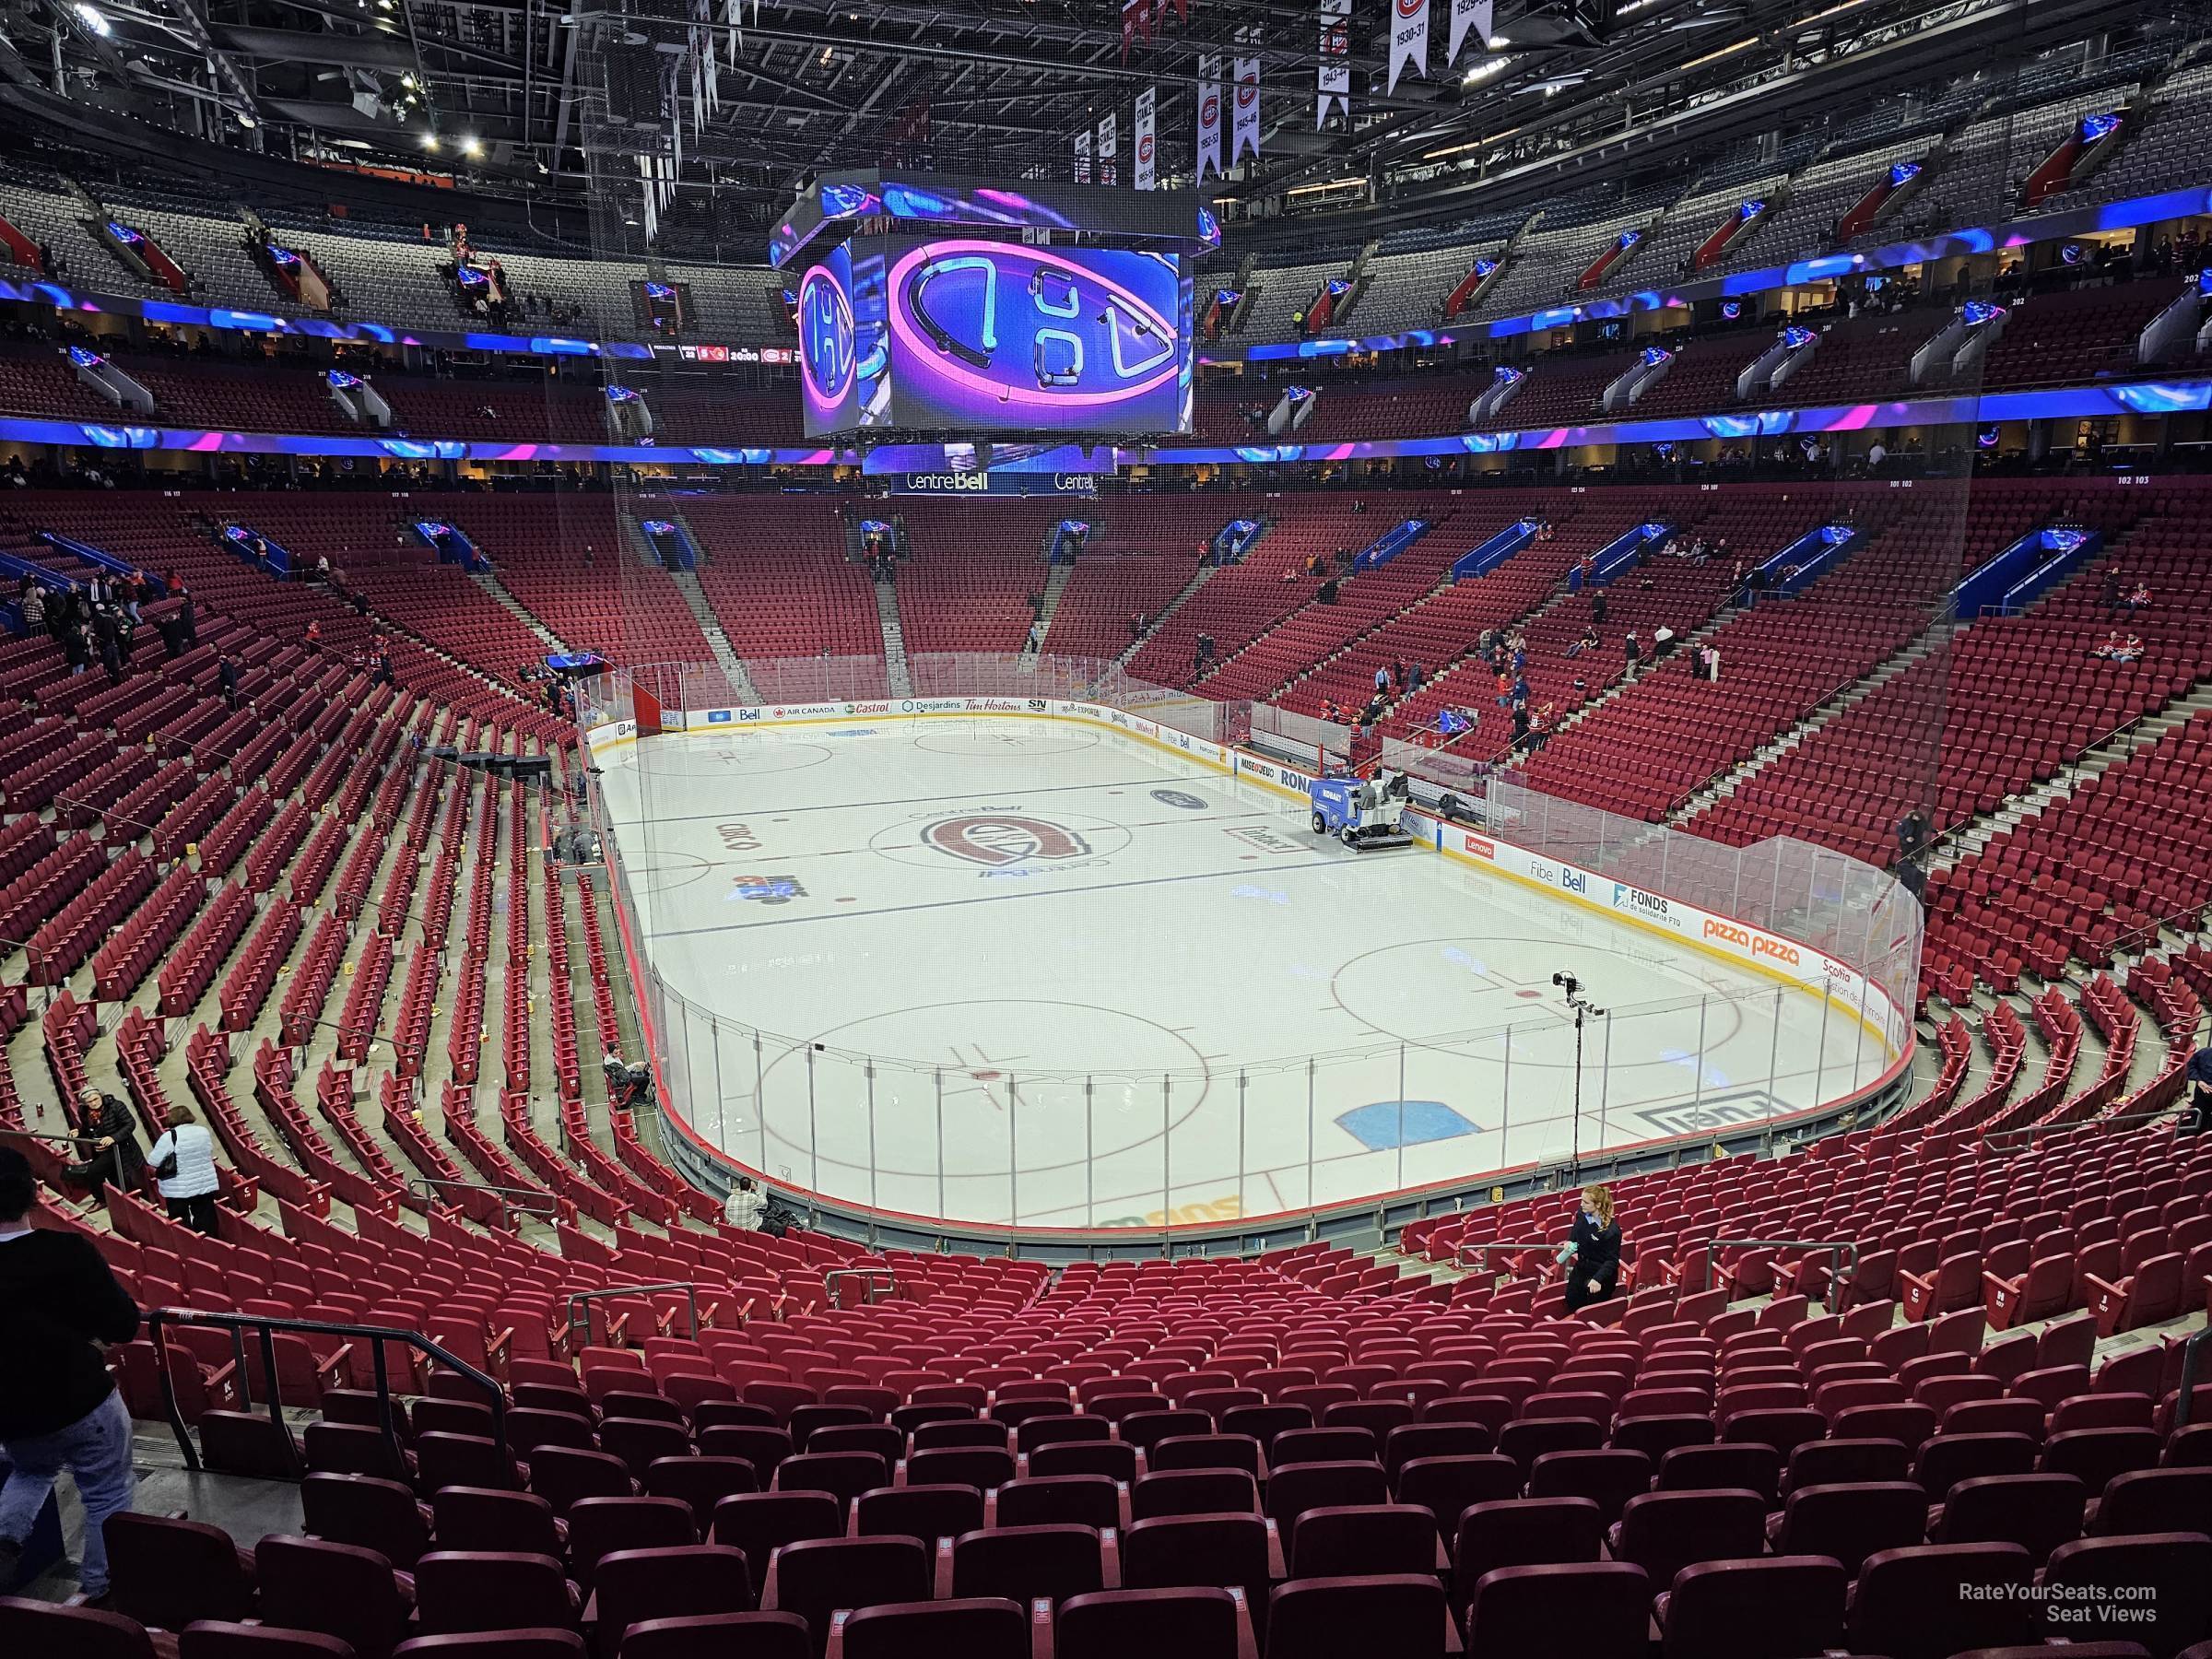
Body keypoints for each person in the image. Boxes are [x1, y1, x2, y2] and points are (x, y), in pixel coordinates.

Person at [0, 1145, 142, 1599]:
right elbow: (123, 1323)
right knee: (106, 1492)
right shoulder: (65, 1251)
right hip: (81, 1400)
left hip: (13, 1412)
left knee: (30, 1473)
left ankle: (4, 1549)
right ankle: (102, 1592)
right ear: (35, 1194)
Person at [147, 1104, 221, 1235]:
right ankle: (210, 1245)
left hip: (178, 1187)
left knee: (180, 1221)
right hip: (203, 1183)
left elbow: (153, 1161)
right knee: (206, 1218)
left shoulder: (169, 1136)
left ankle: (188, 1246)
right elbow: (208, 1150)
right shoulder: (203, 1131)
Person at [65, 1089, 145, 1198]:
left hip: (120, 1149)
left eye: (95, 1099)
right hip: (100, 1151)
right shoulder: (84, 1112)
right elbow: (88, 1129)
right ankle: (107, 1199)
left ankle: (130, 1200)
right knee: (111, 1177)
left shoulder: (116, 1106)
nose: (94, 1103)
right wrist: (80, 1132)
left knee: (121, 1178)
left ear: (101, 1096)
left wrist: (113, 1137)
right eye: (89, 1102)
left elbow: (130, 1124)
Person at [1561, 1183, 1622, 1314]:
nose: (1581, 1204)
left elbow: (1612, 1261)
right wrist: (1570, 1240)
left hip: (1599, 1276)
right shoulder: (1581, 1214)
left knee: (1591, 1312)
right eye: (1581, 1200)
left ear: (1598, 1205)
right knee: (1572, 1300)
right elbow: (1576, 1228)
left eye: (1586, 1202)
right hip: (1582, 1268)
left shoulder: (1612, 1231)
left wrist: (1597, 1279)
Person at [2186, 1043, 2212, 1135]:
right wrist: (2199, 1081)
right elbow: (2191, 1067)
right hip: (2201, 1095)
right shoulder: (2205, 1053)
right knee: (2196, 1122)